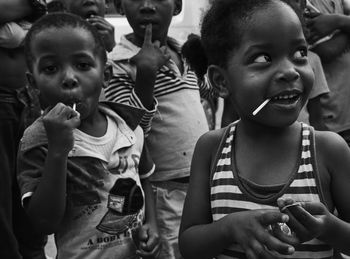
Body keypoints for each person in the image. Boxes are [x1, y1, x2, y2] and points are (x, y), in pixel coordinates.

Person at [178, 0, 350, 258]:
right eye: (263, 58)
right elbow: (189, 245)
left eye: (299, 53)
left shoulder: (328, 150)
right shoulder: (211, 149)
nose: (290, 71)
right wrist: (227, 229)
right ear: (221, 81)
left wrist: (329, 228)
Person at [17, 12, 161, 258]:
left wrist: (152, 224)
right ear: (33, 83)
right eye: (51, 68)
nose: (69, 78)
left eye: (83, 65)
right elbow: (44, 223)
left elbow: (145, 179)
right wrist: (58, 151)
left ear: (105, 75)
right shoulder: (37, 140)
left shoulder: (128, 126)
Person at [104, 0, 214, 258]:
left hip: (202, 183)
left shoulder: (184, 52)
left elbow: (202, 95)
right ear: (120, 7)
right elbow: (127, 133)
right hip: (164, 191)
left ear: (176, 7)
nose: (146, 6)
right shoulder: (120, 64)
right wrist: (145, 77)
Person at [0, 0, 46, 258]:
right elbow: (36, 8)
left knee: (29, 187)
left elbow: (41, 15)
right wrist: (29, 6)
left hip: (28, 99)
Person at [304, 0, 350, 145]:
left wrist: (338, 22)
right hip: (332, 120)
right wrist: (345, 24)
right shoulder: (302, 4)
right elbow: (327, 50)